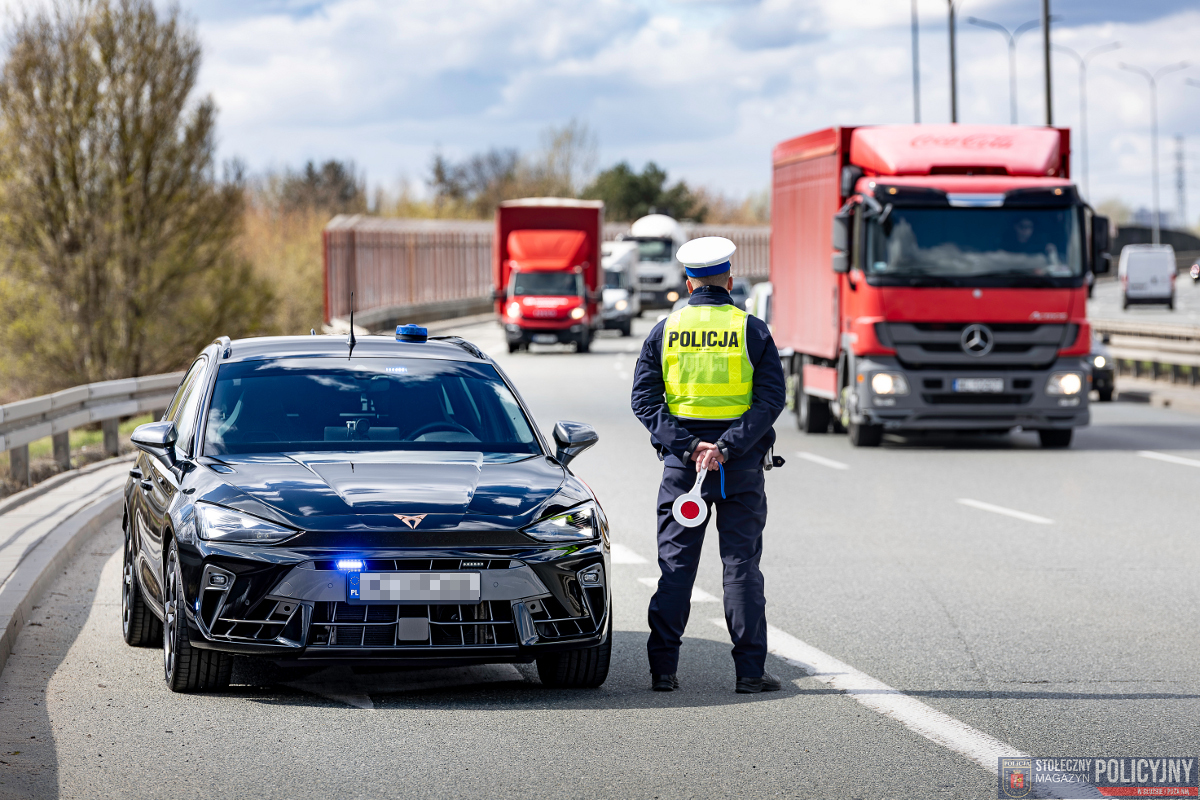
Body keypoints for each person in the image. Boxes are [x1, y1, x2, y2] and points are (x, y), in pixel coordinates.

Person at [630, 236, 787, 694]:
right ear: (729, 281)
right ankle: (750, 674)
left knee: (676, 567)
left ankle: (663, 672)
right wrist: (726, 448)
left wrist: (689, 448)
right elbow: (771, 400)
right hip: (739, 469)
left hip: (684, 472)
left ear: (688, 283)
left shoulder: (665, 330)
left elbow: (644, 400)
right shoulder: (751, 329)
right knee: (740, 567)